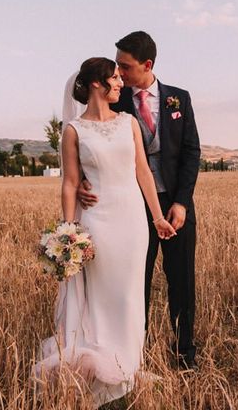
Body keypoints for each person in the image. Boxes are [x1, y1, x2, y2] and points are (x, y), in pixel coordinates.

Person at [34, 57, 176, 407]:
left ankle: (127, 368)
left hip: (132, 222)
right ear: (96, 84)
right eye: (114, 78)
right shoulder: (73, 130)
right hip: (97, 223)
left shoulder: (128, 122)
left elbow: (142, 170)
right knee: (101, 298)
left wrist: (157, 217)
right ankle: (103, 372)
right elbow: (69, 184)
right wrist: (69, 233)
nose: (120, 83)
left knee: (130, 296)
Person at [78, 31, 201, 370]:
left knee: (182, 282)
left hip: (175, 205)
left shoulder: (180, 99)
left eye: (125, 66)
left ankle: (185, 355)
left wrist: (181, 202)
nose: (118, 73)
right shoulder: (114, 99)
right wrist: (82, 181)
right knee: (136, 282)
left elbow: (192, 153)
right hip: (132, 207)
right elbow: (88, 143)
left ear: (147, 65)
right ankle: (136, 355)